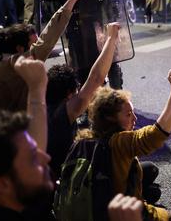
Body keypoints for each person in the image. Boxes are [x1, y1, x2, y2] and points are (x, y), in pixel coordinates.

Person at [72, 67, 171, 220]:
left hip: (91, 206)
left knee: (150, 171)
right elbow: (155, 135)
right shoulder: (118, 143)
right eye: (128, 114)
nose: (135, 119)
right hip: (119, 215)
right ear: (110, 118)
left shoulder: (82, 140)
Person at [0, 0, 86, 113]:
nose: (36, 47)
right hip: (20, 129)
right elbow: (50, 35)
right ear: (20, 48)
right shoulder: (14, 67)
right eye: (33, 45)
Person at [0, 56, 53, 220]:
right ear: (2, 183)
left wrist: (36, 88)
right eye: (33, 157)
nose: (46, 157)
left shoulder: (12, 197)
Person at [45, 22, 120, 178]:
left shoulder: (39, 106)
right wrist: (111, 38)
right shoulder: (62, 113)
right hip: (66, 180)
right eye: (76, 90)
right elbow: (96, 78)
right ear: (69, 94)